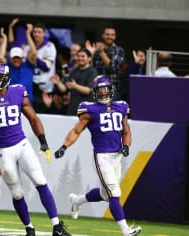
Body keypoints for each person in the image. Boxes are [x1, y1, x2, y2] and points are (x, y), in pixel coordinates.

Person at [0, 62, 71, 236]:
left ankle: (57, 226)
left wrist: (43, 141)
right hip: (3, 151)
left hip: (22, 145)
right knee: (17, 193)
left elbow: (33, 118)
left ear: (5, 78)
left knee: (40, 182)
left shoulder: (18, 91)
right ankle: (29, 228)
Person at [54, 75, 142, 236]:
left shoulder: (121, 106)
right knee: (114, 193)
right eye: (99, 91)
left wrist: (126, 146)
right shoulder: (90, 109)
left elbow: (127, 131)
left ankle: (76, 200)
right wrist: (64, 146)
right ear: (95, 92)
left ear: (111, 90)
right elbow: (76, 131)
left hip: (117, 156)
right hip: (102, 156)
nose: (103, 94)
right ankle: (126, 230)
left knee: (104, 194)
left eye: (105, 90)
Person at [52, 48, 97, 116]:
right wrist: (58, 83)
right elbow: (65, 89)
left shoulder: (92, 71)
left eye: (83, 56)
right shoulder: (73, 71)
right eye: (78, 56)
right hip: (73, 108)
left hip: (86, 109)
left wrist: (75, 86)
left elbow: (89, 91)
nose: (80, 58)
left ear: (89, 58)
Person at [0, 26, 36, 104]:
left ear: (22, 58)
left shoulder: (28, 66)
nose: (16, 60)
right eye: (14, 58)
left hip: (27, 102)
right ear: (11, 58)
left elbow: (34, 53)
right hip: (10, 102)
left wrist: (28, 35)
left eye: (18, 58)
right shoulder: (8, 67)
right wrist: (5, 39)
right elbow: (0, 57)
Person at [87, 26, 125, 101]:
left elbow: (112, 67)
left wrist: (101, 52)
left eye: (112, 35)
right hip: (97, 89)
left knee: (109, 112)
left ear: (115, 36)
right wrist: (91, 54)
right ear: (103, 35)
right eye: (107, 34)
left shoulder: (119, 50)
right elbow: (90, 68)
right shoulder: (96, 50)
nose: (109, 37)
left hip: (113, 90)